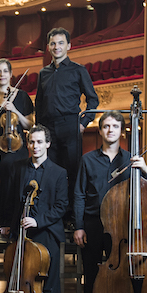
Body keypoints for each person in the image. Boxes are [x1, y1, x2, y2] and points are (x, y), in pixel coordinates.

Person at [72, 110, 147, 293]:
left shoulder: (131, 161)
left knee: (120, 278)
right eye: (106, 126)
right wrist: (79, 226)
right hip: (92, 225)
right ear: (100, 131)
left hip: (121, 228)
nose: (110, 130)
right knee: (91, 278)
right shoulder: (87, 160)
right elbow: (79, 194)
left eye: (115, 127)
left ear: (122, 131)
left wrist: (146, 169)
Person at [2, 125, 68, 293]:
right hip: (22, 232)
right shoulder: (19, 168)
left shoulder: (59, 172)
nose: (35, 146)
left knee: (48, 284)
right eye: (31, 142)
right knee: (23, 280)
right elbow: (12, 200)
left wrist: (38, 220)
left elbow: (61, 206)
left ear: (47, 144)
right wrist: (8, 225)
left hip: (47, 233)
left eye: (39, 142)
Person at [35, 27, 99, 208]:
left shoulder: (78, 70)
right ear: (48, 47)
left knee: (72, 172)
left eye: (61, 43)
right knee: (50, 172)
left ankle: (72, 215)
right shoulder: (43, 73)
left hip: (70, 125)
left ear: (68, 46)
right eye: (53, 43)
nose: (57, 47)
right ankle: (52, 214)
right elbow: (39, 104)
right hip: (48, 128)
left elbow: (93, 100)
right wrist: (39, 130)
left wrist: (83, 123)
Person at [0, 58, 34, 226]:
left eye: (5, 71)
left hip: (18, 147)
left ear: (11, 74)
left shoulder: (22, 96)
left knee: (13, 172)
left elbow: (30, 125)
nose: (1, 74)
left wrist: (14, 110)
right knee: (2, 175)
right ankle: (2, 218)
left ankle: (12, 219)